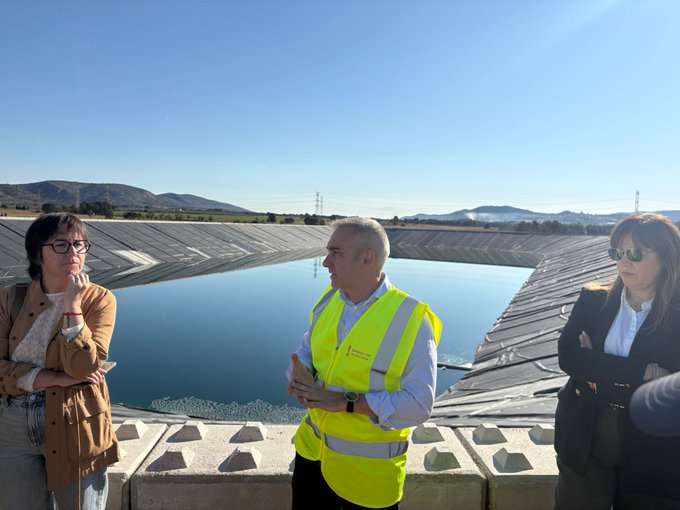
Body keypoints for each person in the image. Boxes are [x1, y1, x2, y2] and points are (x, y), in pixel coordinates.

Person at [287, 217, 442, 510]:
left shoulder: (412, 319)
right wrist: (300, 375)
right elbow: (307, 350)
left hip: (367, 481)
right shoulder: (329, 300)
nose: (325, 262)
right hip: (310, 458)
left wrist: (345, 402)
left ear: (367, 258)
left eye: (335, 253)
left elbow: (419, 405)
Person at [554, 213, 680, 509]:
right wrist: (645, 370)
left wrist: (597, 365)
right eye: (617, 252)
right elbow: (569, 356)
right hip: (587, 436)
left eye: (635, 254)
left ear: (666, 257)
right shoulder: (593, 300)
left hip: (654, 446)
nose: (624, 261)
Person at [0, 213, 119, 510]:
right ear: (36, 253)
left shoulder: (99, 299)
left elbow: (84, 367)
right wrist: (57, 378)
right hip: (13, 425)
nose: (73, 252)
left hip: (76, 422)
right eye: (61, 245)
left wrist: (73, 306)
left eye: (79, 245)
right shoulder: (11, 298)